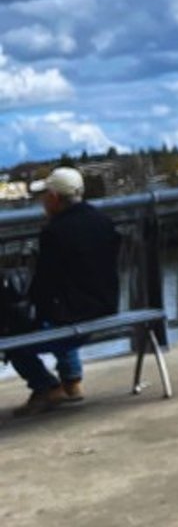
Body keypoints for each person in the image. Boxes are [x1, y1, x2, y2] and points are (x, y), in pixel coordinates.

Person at [5, 166, 120, 417]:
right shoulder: (103, 221)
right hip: (106, 308)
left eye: (44, 196)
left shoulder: (54, 232)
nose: (42, 202)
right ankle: (72, 380)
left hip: (73, 315)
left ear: (55, 198)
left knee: (12, 333)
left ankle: (46, 387)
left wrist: (26, 312)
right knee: (63, 311)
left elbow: (44, 285)